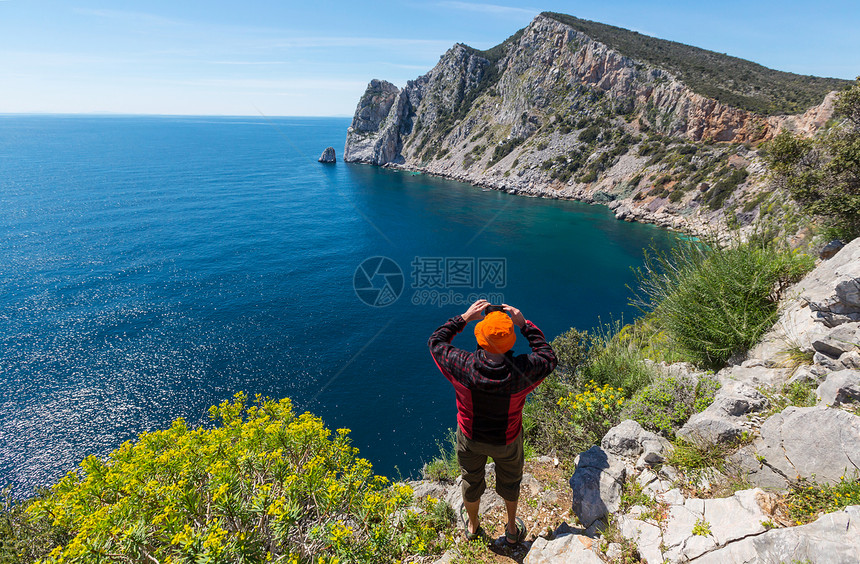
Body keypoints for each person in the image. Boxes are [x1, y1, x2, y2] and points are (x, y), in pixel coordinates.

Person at [428, 299, 557, 545]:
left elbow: (436, 342)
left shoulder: (462, 365)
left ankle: (474, 526)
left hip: (469, 438)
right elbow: (548, 357)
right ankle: (511, 530)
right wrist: (524, 324)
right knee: (511, 482)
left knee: (471, 480)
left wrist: (464, 318)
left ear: (480, 338)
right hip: (507, 441)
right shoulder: (523, 372)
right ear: (511, 341)